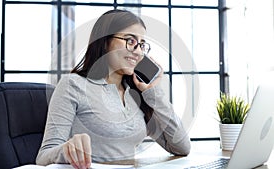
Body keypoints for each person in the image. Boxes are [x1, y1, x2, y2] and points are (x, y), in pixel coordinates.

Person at [36, 9, 191, 169]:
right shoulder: (73, 84)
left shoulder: (137, 95)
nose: (138, 51)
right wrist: (66, 151)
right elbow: (43, 157)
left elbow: (182, 147)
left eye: (142, 45)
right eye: (130, 41)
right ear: (105, 41)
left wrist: (153, 92)